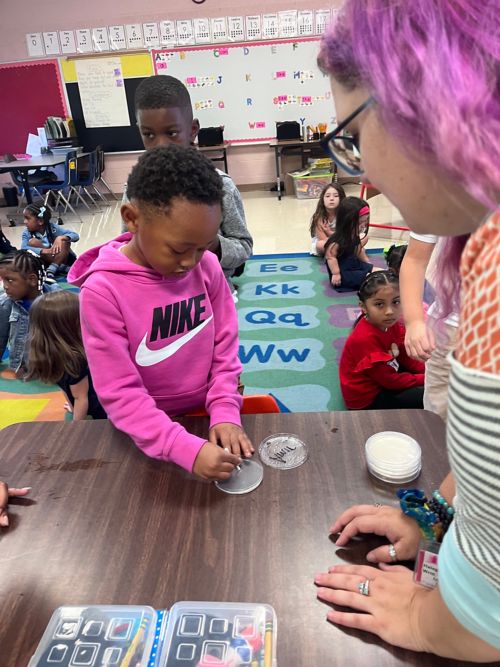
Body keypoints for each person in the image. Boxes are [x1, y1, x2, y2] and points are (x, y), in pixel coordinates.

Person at [314, 0, 500, 660]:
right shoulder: (482, 239)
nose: (362, 168)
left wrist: (429, 622)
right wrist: (431, 516)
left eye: (352, 134)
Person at [69, 145, 253, 480]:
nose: (191, 262)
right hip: (147, 431)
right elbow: (120, 394)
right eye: (180, 249)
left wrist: (225, 408)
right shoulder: (102, 292)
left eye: (203, 247)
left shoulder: (207, 267)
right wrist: (182, 447)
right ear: (132, 219)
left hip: (209, 413)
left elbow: (225, 346)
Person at [129, 75, 253, 290]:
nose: (161, 145)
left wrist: (209, 243)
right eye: (149, 134)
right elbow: (127, 243)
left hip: (212, 292)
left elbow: (243, 247)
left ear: (193, 130)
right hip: (154, 294)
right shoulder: (136, 190)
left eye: (172, 133)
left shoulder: (221, 185)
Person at [400, 233, 468, 421]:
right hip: (449, 326)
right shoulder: (441, 204)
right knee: (439, 411)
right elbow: (415, 258)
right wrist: (414, 322)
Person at [339, 270, 424, 409]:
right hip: (367, 399)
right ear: (363, 307)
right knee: (427, 395)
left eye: (396, 302)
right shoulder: (364, 339)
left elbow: (404, 353)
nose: (389, 311)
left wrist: (426, 370)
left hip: (383, 375)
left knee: (430, 380)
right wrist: (425, 379)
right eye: (379, 304)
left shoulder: (390, 323)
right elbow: (390, 381)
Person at [27, 291, 106, 421]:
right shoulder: (56, 356)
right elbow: (68, 389)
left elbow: (81, 397)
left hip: (101, 406)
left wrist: (75, 424)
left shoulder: (75, 359)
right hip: (87, 399)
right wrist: (74, 408)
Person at [0, 251, 60, 375]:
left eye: (9, 280)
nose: (5, 286)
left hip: (52, 370)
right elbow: (1, 336)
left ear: (32, 280)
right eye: (3, 280)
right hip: (19, 369)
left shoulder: (56, 303)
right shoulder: (6, 303)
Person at [324, 196, 378, 291]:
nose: (363, 226)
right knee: (370, 279)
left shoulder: (354, 235)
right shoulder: (337, 241)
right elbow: (330, 256)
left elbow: (358, 249)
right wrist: (336, 273)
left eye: (365, 222)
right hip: (343, 272)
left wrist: (367, 262)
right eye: (360, 222)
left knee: (377, 271)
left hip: (354, 264)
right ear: (347, 222)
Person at [21, 204, 79, 282]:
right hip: (45, 262)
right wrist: (43, 251)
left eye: (27, 219)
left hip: (60, 258)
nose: (24, 222)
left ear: (40, 221)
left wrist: (60, 238)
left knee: (65, 240)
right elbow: (23, 248)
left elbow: (75, 235)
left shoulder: (53, 228)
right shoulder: (27, 233)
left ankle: (53, 268)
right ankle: (59, 267)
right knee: (32, 242)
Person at [309, 183, 346, 256]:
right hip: (326, 242)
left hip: (341, 241)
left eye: (336, 196)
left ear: (341, 199)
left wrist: (329, 232)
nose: (331, 199)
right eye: (327, 196)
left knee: (363, 238)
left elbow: (345, 235)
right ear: (322, 200)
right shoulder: (319, 218)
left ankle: (340, 252)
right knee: (321, 245)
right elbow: (323, 240)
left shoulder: (344, 215)